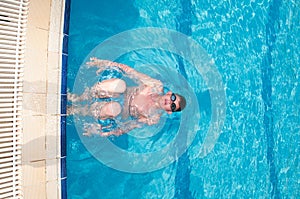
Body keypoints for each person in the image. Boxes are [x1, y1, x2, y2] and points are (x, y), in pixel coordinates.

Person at [67, 57, 186, 137]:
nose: (170, 102)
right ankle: (78, 98)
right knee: (120, 85)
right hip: (116, 93)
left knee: (114, 108)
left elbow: (128, 127)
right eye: (173, 98)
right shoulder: (154, 85)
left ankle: (75, 110)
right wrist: (103, 63)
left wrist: (101, 132)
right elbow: (130, 71)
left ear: (169, 111)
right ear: (169, 93)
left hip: (115, 110)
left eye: (173, 106)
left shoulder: (153, 117)